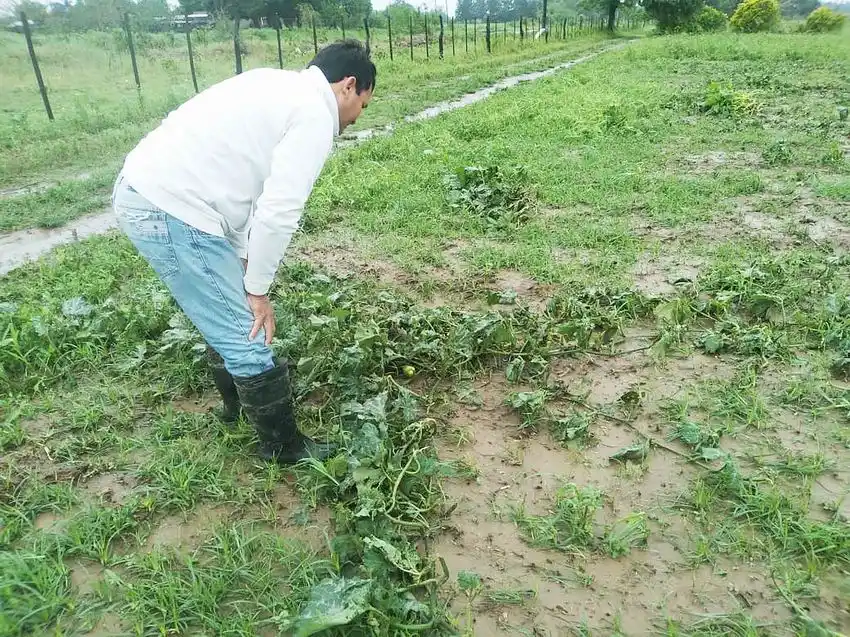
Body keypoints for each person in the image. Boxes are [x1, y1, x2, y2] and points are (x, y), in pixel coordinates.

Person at [111, 40, 375, 464]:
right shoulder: (313, 114)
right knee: (246, 330)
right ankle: (283, 448)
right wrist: (258, 288)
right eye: (363, 104)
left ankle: (235, 410)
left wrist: (243, 262)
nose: (358, 118)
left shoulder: (273, 84)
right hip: (172, 206)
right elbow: (278, 211)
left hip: (153, 191)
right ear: (349, 86)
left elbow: (240, 186)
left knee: (227, 308)